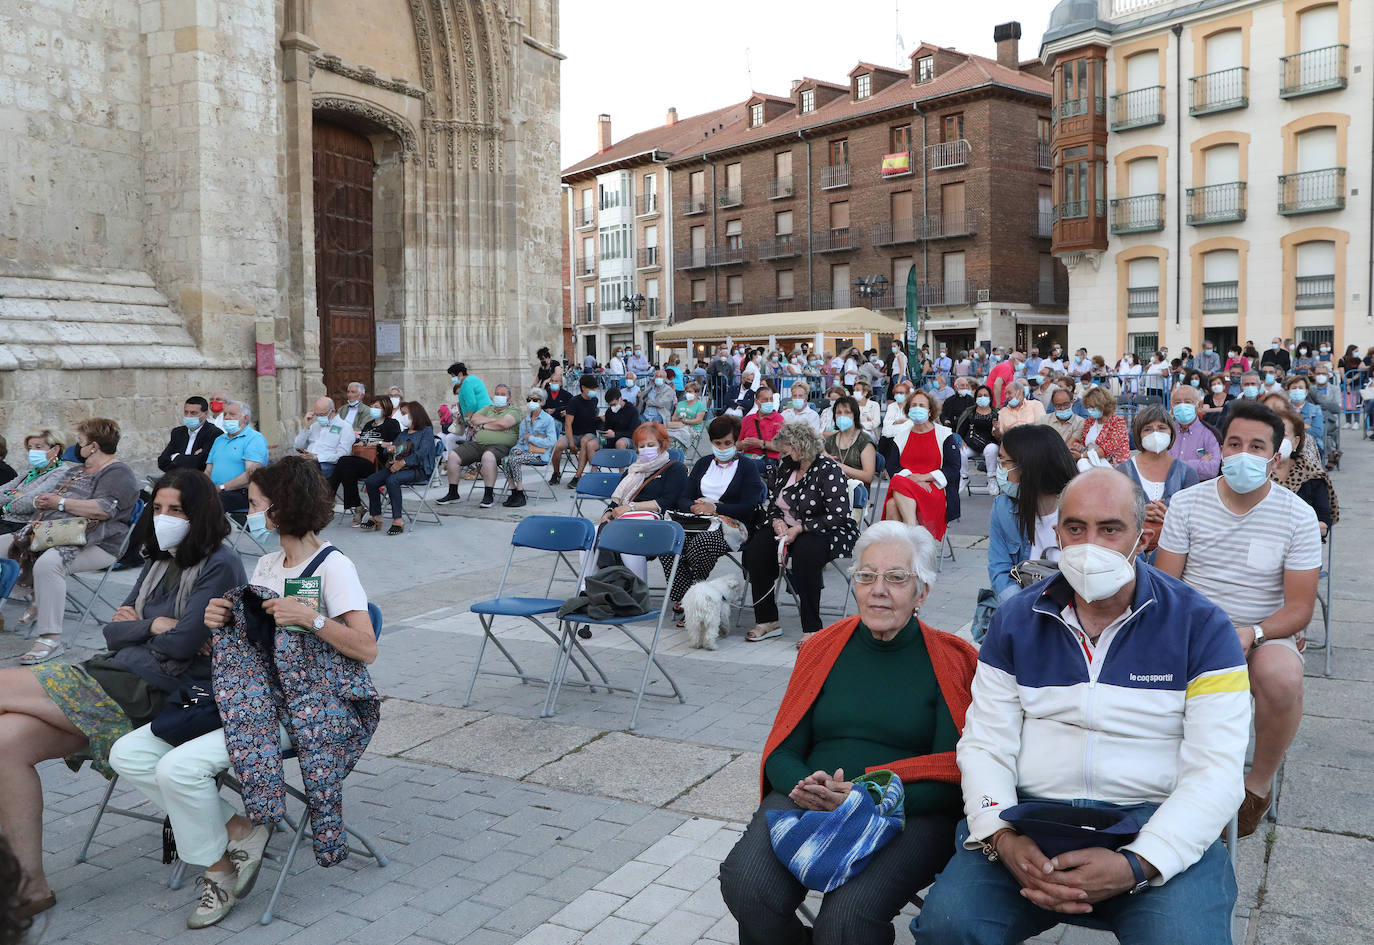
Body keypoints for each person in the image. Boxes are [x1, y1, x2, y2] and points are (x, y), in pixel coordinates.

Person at [915, 468, 1249, 945]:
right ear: (1057, 533)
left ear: (1143, 537)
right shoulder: (1015, 619)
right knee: (949, 927)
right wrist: (1000, 836)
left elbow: (1216, 771)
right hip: (1031, 823)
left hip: (1152, 823)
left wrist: (1138, 861)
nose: (1090, 545)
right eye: (1076, 528)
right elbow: (986, 743)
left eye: (1110, 529)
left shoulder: (1202, 627)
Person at [109, 457, 377, 929]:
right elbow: (259, 640)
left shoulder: (334, 565)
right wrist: (222, 622)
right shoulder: (269, 562)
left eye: (254, 504)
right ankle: (240, 829)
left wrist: (310, 617)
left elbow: (365, 648)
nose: (248, 512)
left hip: (305, 707)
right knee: (128, 753)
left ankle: (217, 869)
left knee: (178, 768)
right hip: (246, 697)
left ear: (281, 508)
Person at [0, 469, 243, 919]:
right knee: (5, 744)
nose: (165, 517)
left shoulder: (219, 563)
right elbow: (113, 631)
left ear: (201, 514)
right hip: (115, 673)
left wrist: (139, 629)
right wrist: (149, 625)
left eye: (178, 510)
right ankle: (31, 887)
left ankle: (233, 828)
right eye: (159, 508)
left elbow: (183, 643)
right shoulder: (161, 557)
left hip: (158, 691)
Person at [721, 522, 977, 945]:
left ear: (923, 592)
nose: (878, 589)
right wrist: (807, 788)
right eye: (866, 575)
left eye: (896, 578)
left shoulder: (953, 660)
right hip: (814, 794)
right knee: (747, 887)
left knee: (844, 926)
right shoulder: (822, 646)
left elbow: (952, 776)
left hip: (907, 812)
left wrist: (865, 798)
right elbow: (783, 751)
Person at [1154, 400, 1320, 836]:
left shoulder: (1297, 515)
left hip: (1262, 631)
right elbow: (1166, 586)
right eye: (1234, 443)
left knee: (1282, 676)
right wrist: (1200, 632)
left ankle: (1258, 785)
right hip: (1195, 628)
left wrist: (1254, 632)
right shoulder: (1187, 505)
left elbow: (1300, 607)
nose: (1244, 454)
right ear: (1220, 448)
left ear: (1275, 454)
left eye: (1257, 445)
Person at [0, 419, 139, 665]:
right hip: (51, 532)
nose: (78, 446)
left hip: (98, 542)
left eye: (81, 442)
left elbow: (104, 509)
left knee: (49, 564)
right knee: (4, 545)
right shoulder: (76, 470)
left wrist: (59, 503)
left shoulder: (118, 473)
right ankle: (30, 602)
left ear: (93, 446)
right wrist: (46, 501)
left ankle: (49, 637)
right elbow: (51, 496)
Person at [742, 423, 859, 645]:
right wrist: (777, 521)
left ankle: (812, 628)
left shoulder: (828, 469)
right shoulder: (786, 466)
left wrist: (800, 528)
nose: (782, 454)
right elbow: (774, 503)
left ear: (800, 447)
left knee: (806, 555)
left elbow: (839, 515)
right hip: (786, 526)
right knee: (756, 550)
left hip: (822, 528)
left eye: (786, 450)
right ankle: (768, 620)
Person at [663, 415, 766, 608]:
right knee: (669, 542)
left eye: (728, 443)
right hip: (698, 520)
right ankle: (688, 598)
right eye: (718, 443)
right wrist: (693, 506)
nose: (723, 447)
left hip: (732, 524)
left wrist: (716, 507)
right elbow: (683, 497)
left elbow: (748, 506)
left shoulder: (747, 467)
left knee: (700, 545)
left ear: (736, 442)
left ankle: (694, 598)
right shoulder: (703, 463)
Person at [986, 425, 1076, 604]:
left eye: (1004, 462)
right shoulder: (1003, 508)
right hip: (1024, 608)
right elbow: (1000, 570)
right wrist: (1026, 612)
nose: (1000, 471)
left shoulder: (1084, 509)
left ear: (1027, 465)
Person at [594, 423, 687, 580]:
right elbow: (615, 504)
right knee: (594, 532)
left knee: (627, 535)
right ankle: (587, 587)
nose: (645, 449)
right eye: (641, 446)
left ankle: (637, 588)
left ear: (662, 445)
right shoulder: (633, 471)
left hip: (657, 525)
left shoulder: (674, 468)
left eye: (651, 445)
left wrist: (630, 507)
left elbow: (667, 502)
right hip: (627, 521)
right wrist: (608, 513)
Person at [1119, 405, 1200, 558]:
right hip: (1131, 550)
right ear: (1139, 434)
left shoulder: (1186, 473)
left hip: (1174, 550)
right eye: (1148, 429)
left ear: (1171, 432)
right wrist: (1138, 513)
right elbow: (1112, 513)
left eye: (1162, 428)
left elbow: (1196, 517)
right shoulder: (1123, 471)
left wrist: (1171, 515)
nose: (1155, 434)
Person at [884, 390, 960, 540]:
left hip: (935, 488)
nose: (917, 408)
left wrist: (925, 478)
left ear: (930, 410)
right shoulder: (900, 437)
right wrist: (914, 480)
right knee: (892, 501)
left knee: (896, 488)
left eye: (921, 405)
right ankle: (908, 538)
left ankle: (906, 543)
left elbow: (953, 468)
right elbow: (892, 467)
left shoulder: (945, 435)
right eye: (913, 405)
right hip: (907, 485)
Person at [438, 384, 521, 509]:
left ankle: (488, 495)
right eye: (497, 393)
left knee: (488, 456)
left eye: (503, 395)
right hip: (479, 444)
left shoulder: (514, 411)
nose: (499, 396)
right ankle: (453, 493)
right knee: (453, 456)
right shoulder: (488, 408)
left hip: (501, 447)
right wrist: (494, 421)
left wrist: (484, 424)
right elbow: (473, 419)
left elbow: (504, 423)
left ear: (509, 398)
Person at [361, 401, 438, 534]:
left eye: (404, 413)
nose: (402, 416)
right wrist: (390, 450)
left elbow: (422, 453)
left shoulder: (426, 431)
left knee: (393, 480)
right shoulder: (404, 433)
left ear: (414, 414)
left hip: (418, 469)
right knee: (371, 481)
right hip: (396, 467)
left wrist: (404, 462)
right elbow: (390, 450)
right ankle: (376, 515)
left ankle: (398, 520)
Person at [330, 395, 401, 526]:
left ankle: (329, 497)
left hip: (378, 463)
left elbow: (395, 444)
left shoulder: (391, 424)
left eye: (377, 407)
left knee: (344, 462)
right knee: (346, 469)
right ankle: (357, 507)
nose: (373, 409)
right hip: (362, 460)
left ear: (385, 409)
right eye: (372, 406)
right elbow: (361, 440)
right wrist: (359, 443)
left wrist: (376, 443)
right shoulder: (368, 425)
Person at [1268, 406, 1338, 537]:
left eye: (1283, 435)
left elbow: (1324, 525)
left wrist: (1293, 529)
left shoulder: (1312, 476)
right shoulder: (1255, 473)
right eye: (1273, 435)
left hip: (1301, 545)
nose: (1277, 440)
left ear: (1295, 442)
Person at [204, 402, 269, 513]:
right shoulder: (219, 440)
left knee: (207, 503)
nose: (227, 417)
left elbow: (251, 475)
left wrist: (221, 488)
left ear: (245, 418)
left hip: (242, 493)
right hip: (217, 491)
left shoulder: (254, 438)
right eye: (225, 414)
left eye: (232, 414)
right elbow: (208, 471)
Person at [499, 388, 558, 508]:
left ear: (542, 402)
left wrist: (531, 438)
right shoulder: (525, 420)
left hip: (539, 454)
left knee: (514, 460)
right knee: (505, 460)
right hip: (525, 452)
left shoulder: (548, 420)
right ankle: (514, 491)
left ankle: (520, 494)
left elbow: (551, 441)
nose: (531, 402)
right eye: (529, 399)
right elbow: (521, 440)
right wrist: (517, 449)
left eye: (535, 399)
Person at [823, 396, 877, 515]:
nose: (842, 416)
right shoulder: (830, 440)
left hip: (856, 496)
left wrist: (837, 466)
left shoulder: (864, 440)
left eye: (847, 412)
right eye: (838, 412)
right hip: (830, 493)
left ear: (855, 415)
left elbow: (868, 476)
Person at [549, 374, 603, 488]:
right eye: (592, 388)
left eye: (595, 388)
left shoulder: (595, 400)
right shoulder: (574, 401)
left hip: (589, 433)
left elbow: (590, 416)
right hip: (573, 433)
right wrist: (571, 443)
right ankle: (556, 473)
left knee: (584, 441)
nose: (594, 391)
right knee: (557, 446)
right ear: (583, 388)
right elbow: (568, 424)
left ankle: (578, 476)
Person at [292, 396, 356, 479]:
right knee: (285, 469)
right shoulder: (314, 426)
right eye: (316, 414)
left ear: (332, 411)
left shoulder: (345, 427)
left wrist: (317, 458)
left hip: (327, 463)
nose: (319, 417)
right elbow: (298, 446)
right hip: (307, 461)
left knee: (304, 473)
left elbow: (342, 455)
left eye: (321, 414)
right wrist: (306, 427)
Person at [1166, 385, 1220, 480]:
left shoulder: (1209, 434)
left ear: (1198, 405)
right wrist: (1198, 463)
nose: (1182, 406)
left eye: (1188, 402)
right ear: (1172, 406)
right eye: (1177, 403)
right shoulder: (1165, 432)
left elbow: (1212, 470)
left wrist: (1178, 464)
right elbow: (1159, 466)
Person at [157, 397, 224, 472]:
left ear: (206, 414)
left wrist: (175, 457)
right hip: (176, 478)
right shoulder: (178, 432)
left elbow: (201, 463)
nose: (188, 416)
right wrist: (191, 459)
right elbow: (162, 461)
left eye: (193, 413)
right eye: (186, 412)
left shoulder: (214, 433)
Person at [954, 384, 1000, 492]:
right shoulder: (969, 412)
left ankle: (992, 479)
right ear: (975, 398)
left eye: (985, 395)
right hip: (971, 445)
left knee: (992, 449)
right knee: (960, 450)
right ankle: (964, 477)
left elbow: (998, 437)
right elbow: (960, 430)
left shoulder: (996, 413)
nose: (982, 397)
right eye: (979, 395)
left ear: (990, 397)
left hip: (989, 446)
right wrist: (960, 440)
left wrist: (997, 427)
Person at [1073, 385, 1130, 468]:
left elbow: (1106, 450)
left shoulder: (1118, 423)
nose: (1090, 410)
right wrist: (1079, 447)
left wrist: (1082, 456)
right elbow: (1085, 443)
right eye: (1088, 407)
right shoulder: (1090, 421)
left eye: (1092, 407)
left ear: (1104, 405)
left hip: (1113, 463)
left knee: (1082, 463)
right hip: (1091, 460)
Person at [739, 384, 784, 466]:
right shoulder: (747, 419)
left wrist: (760, 443)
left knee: (746, 466)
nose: (769, 402)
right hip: (748, 456)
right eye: (765, 400)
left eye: (771, 399)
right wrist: (743, 444)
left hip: (768, 459)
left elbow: (781, 446)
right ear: (756, 401)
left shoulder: (779, 419)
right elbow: (737, 444)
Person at [1307, 363, 1341, 466]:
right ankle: (1331, 453)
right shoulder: (1310, 389)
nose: (1321, 376)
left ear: (1328, 375)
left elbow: (1336, 408)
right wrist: (1325, 404)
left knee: (1323, 428)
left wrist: (1320, 403)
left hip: (1331, 419)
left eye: (1323, 373)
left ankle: (1325, 456)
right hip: (1313, 419)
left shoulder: (1334, 389)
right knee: (1320, 429)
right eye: (1318, 373)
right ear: (1314, 375)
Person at [1283, 375, 1324, 459]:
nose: (1297, 390)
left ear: (1306, 391)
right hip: (1287, 445)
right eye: (1294, 388)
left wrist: (1294, 427)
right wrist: (1304, 426)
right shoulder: (1283, 409)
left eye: (1301, 388)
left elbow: (1317, 432)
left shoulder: (1315, 409)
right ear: (1288, 391)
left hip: (1312, 445)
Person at [667, 380, 708, 450]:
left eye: (690, 392)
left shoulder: (700, 405)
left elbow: (698, 421)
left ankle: (678, 456)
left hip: (693, 430)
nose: (687, 393)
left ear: (697, 393)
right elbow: (673, 417)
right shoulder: (680, 404)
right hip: (677, 427)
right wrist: (678, 420)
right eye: (686, 391)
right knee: (664, 436)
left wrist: (685, 421)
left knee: (677, 439)